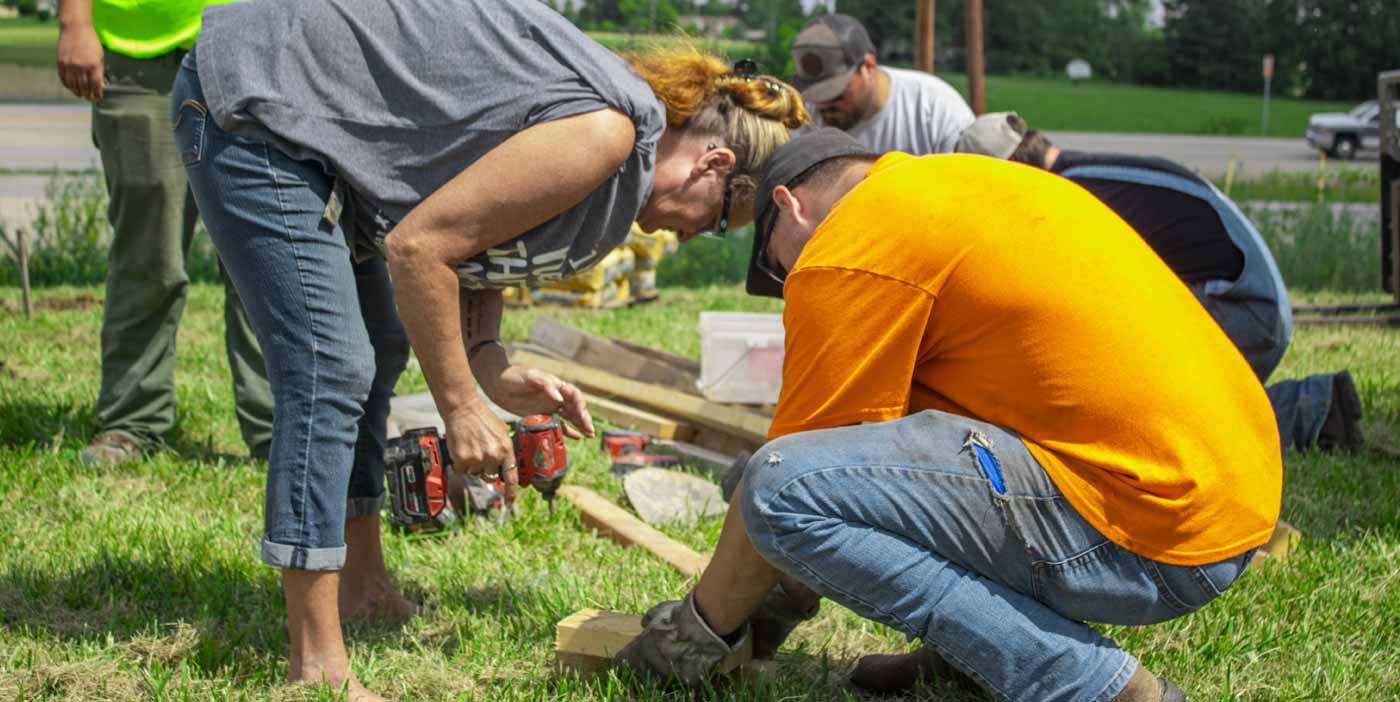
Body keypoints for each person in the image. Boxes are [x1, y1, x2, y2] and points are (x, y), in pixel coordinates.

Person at [172, 0, 807, 698]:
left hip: (306, 101)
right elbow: (420, 249)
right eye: (716, 221)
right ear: (714, 164)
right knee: (330, 369)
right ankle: (315, 663)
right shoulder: (605, 134)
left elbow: (479, 236)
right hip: (258, 91)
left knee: (380, 345)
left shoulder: (613, 144)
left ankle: (362, 587)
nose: (690, 236)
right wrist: (461, 407)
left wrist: (488, 363)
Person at [617, 129, 1282, 702]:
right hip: (1225, 501)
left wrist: (697, 633)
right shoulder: (962, 188)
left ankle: (1092, 685)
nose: (792, 284)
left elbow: (788, 483)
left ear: (791, 207)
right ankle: (976, 653)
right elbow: (876, 455)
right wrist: (778, 592)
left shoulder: (850, 236)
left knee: (776, 487)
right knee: (849, 454)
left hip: (1153, 533)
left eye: (778, 267)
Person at [956, 112, 1364, 453]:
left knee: (1144, 420)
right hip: (1245, 303)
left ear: (1011, 170)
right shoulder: (1087, 173)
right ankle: (1319, 405)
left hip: (1244, 309)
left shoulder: (1076, 196)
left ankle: (1312, 409)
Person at [55, 0, 274, 465]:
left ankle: (281, 431)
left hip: (253, 50)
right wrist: (75, 21)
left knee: (265, 258)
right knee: (148, 258)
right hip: (139, 57)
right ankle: (131, 421)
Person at [790, 13, 974, 155]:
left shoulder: (934, 110)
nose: (822, 105)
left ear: (869, 66)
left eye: (836, 93)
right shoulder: (800, 116)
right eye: (813, 95)